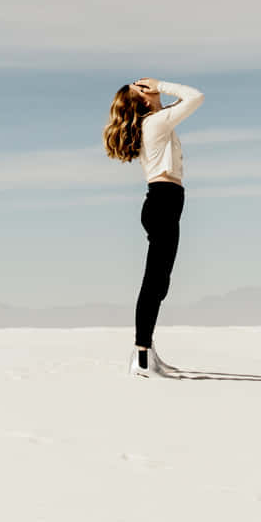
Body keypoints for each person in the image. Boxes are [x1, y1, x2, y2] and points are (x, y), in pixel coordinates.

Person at [102, 76, 205, 377]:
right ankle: (142, 358)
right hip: (163, 202)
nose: (148, 86)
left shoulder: (157, 121)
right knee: (153, 283)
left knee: (159, 283)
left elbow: (182, 104)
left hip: (165, 203)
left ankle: (147, 352)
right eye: (142, 87)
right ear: (144, 99)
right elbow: (195, 96)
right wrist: (162, 84)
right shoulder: (155, 124)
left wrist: (159, 93)